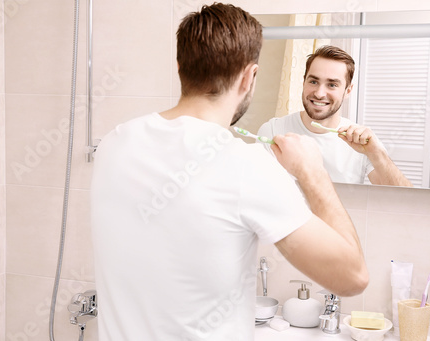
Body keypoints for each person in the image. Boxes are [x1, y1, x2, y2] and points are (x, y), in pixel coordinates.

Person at [90, 4, 368, 341]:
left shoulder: (114, 143)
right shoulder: (246, 165)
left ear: (180, 68)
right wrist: (312, 173)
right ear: (250, 76)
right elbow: (352, 277)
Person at [258, 45, 413, 186]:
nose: (319, 93)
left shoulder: (360, 141)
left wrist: (376, 154)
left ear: (348, 91)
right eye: (313, 82)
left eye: (332, 85)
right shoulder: (273, 130)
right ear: (303, 81)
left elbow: (405, 201)